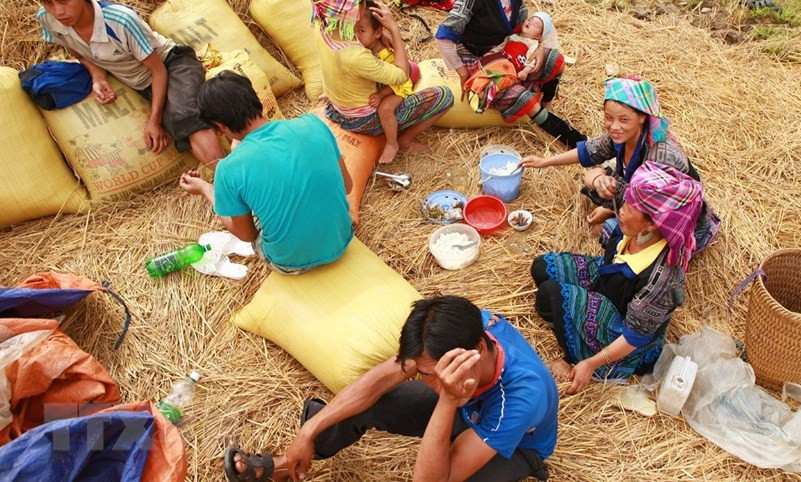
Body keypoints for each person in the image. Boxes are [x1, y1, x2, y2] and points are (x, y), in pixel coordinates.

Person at [224, 295, 558, 482]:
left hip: (517, 446)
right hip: (465, 404)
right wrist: (308, 431)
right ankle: (285, 467)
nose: (427, 381)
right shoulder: (464, 329)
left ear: (478, 352)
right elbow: (380, 379)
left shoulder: (520, 396)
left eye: (433, 374)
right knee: (375, 399)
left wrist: (448, 401)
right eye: (422, 372)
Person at [28, 0, 224, 168]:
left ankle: (235, 186)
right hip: (142, 84)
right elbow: (79, 52)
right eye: (48, 3)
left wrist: (154, 120)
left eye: (63, 0)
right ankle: (228, 182)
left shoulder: (121, 21)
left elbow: (158, 70)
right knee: (179, 129)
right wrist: (97, 76)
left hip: (172, 65)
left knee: (186, 118)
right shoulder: (48, 19)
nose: (58, 11)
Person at [531, 162, 704, 392]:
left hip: (624, 333)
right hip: (609, 280)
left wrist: (590, 364)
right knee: (541, 267)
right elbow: (597, 176)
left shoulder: (662, 278)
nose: (621, 209)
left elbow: (633, 337)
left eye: (630, 208)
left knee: (551, 293)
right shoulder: (638, 205)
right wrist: (599, 180)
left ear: (652, 224)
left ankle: (575, 354)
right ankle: (579, 316)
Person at [520, 75, 720, 252]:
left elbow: (651, 209)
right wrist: (544, 162)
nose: (614, 127)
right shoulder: (624, 136)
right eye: (609, 118)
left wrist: (600, 183)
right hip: (644, 202)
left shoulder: (660, 156)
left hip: (674, 222)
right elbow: (590, 150)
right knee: (595, 183)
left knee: (608, 234)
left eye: (624, 119)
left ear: (642, 117)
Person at [178, 72, 353, 274]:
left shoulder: (228, 169)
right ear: (256, 101)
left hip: (289, 262)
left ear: (218, 127)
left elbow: (246, 235)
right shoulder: (313, 124)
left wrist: (207, 189)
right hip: (341, 241)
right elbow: (347, 187)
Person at [435, 0, 584, 146]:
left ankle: (547, 105)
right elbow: (444, 35)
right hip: (477, 56)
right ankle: (577, 142)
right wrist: (461, 71)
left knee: (555, 60)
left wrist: (539, 49)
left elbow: (522, 24)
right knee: (522, 98)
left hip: (508, 47)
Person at [312, 0, 453, 162]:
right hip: (363, 120)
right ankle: (402, 143)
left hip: (335, 107)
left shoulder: (321, 28)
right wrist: (393, 29)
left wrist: (379, 36)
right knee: (445, 96)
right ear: (354, 9)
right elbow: (400, 76)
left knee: (409, 69)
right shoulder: (356, 55)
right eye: (361, 1)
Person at [354, 0, 421, 163]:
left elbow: (398, 79)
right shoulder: (361, 49)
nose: (356, 36)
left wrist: (382, 93)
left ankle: (393, 143)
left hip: (397, 87)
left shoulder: (384, 56)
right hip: (385, 84)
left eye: (361, 31)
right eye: (354, 30)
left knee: (385, 109)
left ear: (377, 33)